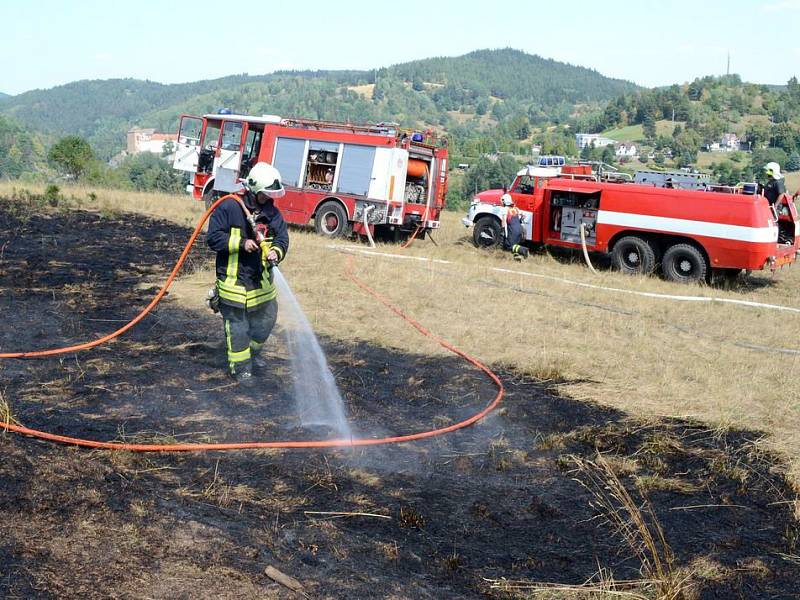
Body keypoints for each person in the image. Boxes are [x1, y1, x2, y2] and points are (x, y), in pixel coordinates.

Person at [206, 162, 289, 383]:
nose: (268, 199)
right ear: (253, 189)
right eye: (264, 195)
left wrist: (276, 252)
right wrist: (242, 244)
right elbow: (212, 238)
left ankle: (252, 355)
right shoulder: (230, 207)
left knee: (268, 318)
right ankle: (241, 368)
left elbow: (282, 238)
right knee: (238, 328)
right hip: (233, 283)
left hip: (261, 285)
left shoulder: (272, 213)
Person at [501, 194, 529, 260]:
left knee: (508, 245)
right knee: (515, 245)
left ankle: (524, 250)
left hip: (513, 230)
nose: (502, 202)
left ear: (505, 201)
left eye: (502, 201)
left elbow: (504, 220)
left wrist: (502, 230)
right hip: (519, 229)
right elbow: (523, 215)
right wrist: (520, 221)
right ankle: (517, 257)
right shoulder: (515, 208)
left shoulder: (505, 209)